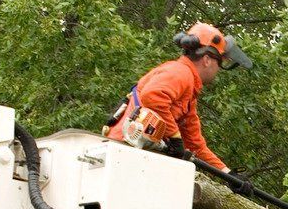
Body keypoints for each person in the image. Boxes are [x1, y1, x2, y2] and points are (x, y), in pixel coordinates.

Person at [106, 22, 253, 182]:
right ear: (207, 60)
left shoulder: (189, 94)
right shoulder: (181, 72)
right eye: (219, 63)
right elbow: (152, 97)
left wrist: (228, 174)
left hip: (134, 156)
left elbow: (195, 145)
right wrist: (175, 137)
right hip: (123, 150)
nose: (218, 69)